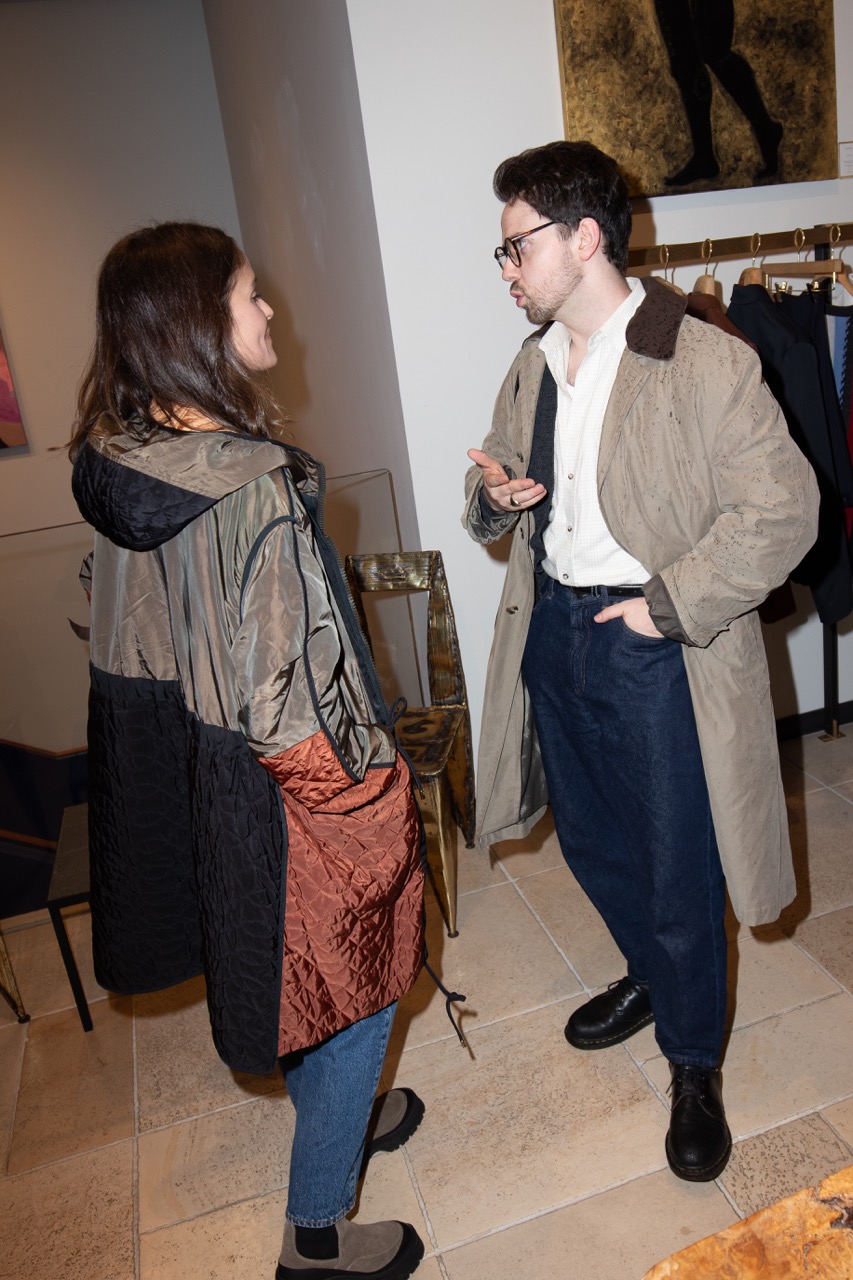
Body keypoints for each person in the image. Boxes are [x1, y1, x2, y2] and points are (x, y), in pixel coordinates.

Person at [69, 222, 426, 1280]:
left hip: (195, 765)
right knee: (361, 973)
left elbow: (120, 621)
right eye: (249, 295)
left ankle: (340, 1113)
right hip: (277, 779)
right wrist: (371, 798)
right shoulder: (252, 488)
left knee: (297, 968)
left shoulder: (124, 459)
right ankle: (316, 1236)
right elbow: (286, 701)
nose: (268, 312)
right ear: (199, 327)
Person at [464, 141, 818, 1182]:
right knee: (589, 837)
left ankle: (693, 1060)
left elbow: (785, 510)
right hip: (552, 632)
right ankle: (652, 974)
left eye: (517, 246)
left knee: (676, 864)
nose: (506, 268)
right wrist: (494, 498)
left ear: (584, 237)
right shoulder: (531, 363)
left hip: (652, 643)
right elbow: (491, 485)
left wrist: (666, 608)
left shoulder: (699, 357)